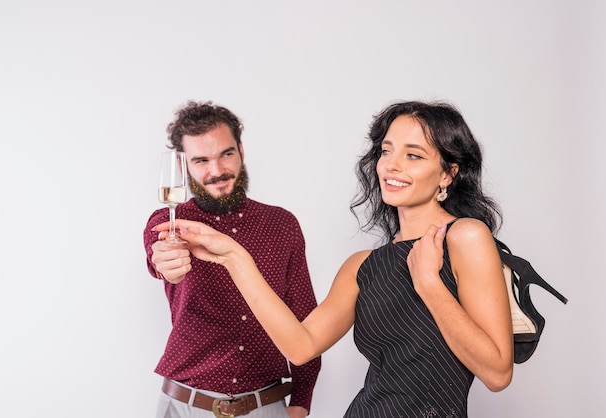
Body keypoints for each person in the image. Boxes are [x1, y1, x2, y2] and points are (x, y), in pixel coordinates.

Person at [156, 100, 515, 417]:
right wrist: (235, 257)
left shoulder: (466, 237)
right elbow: (300, 346)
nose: (392, 166)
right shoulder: (362, 265)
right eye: (386, 152)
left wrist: (429, 283)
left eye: (413, 155)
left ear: (448, 173)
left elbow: (497, 373)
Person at [144, 100, 321, 418]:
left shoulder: (282, 224)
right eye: (201, 160)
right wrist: (165, 262)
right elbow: (160, 256)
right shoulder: (170, 223)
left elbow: (306, 317)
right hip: (186, 406)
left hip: (266, 405)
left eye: (226, 154)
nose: (217, 171)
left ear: (241, 149)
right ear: (184, 166)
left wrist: (301, 400)